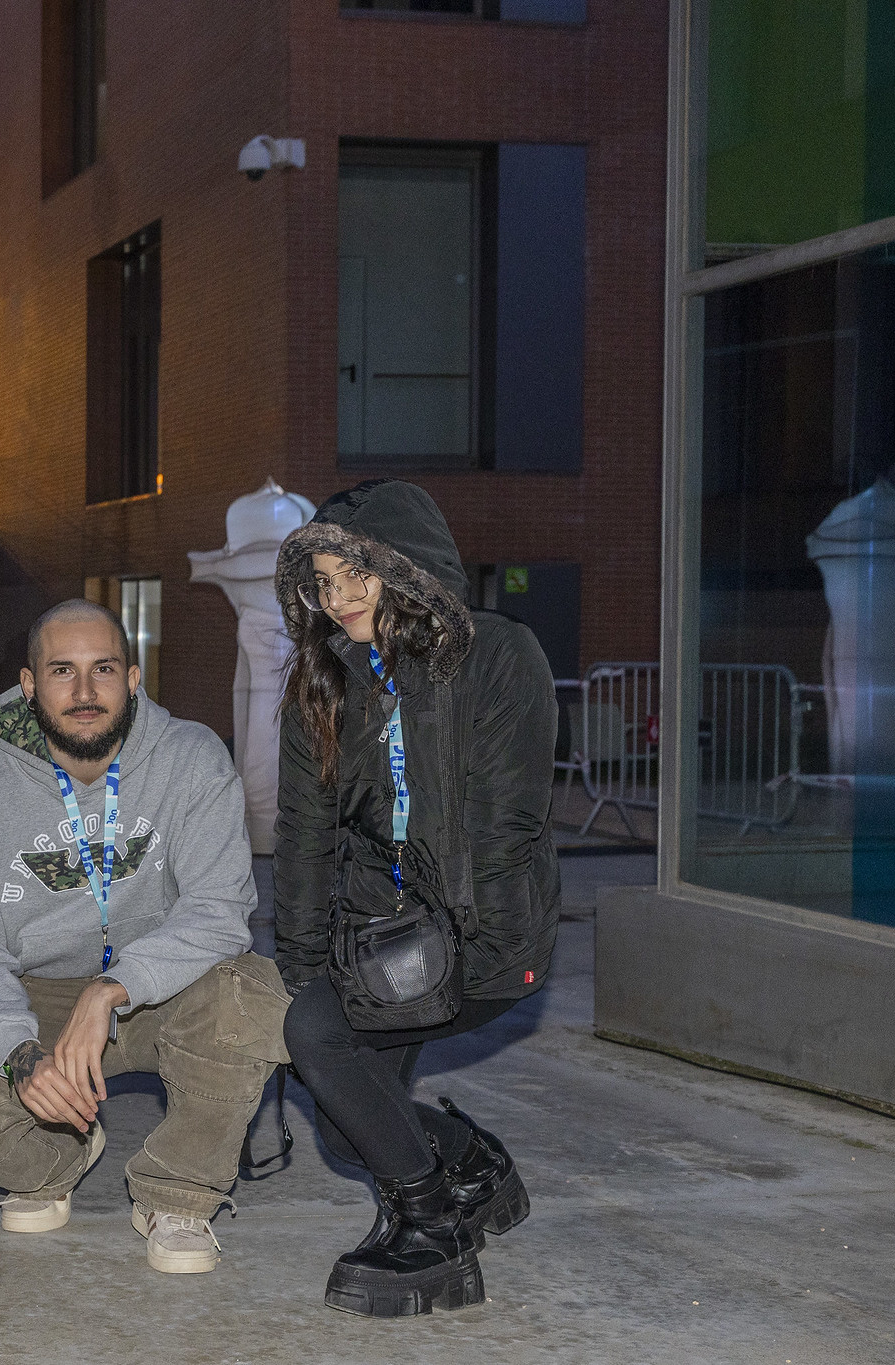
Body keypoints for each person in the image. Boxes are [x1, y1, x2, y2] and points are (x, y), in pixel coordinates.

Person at [0, 599, 289, 1274]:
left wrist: (112, 989)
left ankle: (177, 1192)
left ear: (135, 678)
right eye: (62, 670)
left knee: (247, 995)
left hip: (162, 989)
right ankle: (59, 1155)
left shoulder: (192, 759)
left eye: (104, 669)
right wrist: (19, 1051)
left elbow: (220, 908)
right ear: (29, 685)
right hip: (35, 995)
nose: (85, 691)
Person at [272, 478, 559, 1318]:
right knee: (345, 1113)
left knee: (321, 1038)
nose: (340, 597)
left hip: (487, 940)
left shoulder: (500, 656)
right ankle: (471, 1165)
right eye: (323, 581)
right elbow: (303, 834)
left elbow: (506, 825)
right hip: (382, 939)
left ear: (410, 567)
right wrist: (301, 963)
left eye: (357, 572)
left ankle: (435, 1228)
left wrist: (459, 954)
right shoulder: (321, 684)